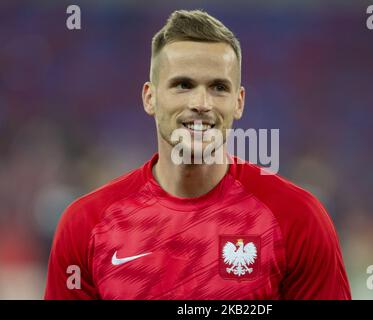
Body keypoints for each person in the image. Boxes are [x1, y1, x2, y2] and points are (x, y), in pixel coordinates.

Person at [44, 9, 351, 300]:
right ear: (150, 98)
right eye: (183, 85)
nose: (201, 102)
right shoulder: (86, 225)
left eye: (218, 87)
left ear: (239, 102)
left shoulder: (298, 220)